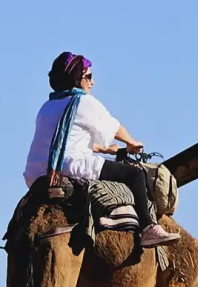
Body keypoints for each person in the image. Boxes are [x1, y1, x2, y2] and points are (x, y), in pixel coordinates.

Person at [24, 51, 180, 248]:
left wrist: (106, 149)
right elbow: (114, 127)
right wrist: (131, 143)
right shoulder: (83, 102)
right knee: (135, 175)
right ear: (77, 79)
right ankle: (149, 228)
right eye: (88, 76)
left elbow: (63, 141)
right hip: (68, 168)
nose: (93, 82)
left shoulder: (47, 106)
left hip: (35, 175)